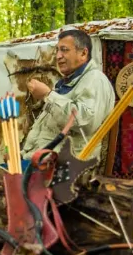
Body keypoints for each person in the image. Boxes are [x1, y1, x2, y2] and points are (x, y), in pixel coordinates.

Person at [20, 28, 115, 161]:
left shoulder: (95, 79)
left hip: (64, 168)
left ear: (83, 53)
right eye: (57, 50)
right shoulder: (68, 82)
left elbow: (86, 122)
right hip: (39, 159)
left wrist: (48, 95)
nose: (58, 56)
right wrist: (22, 153)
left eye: (64, 50)